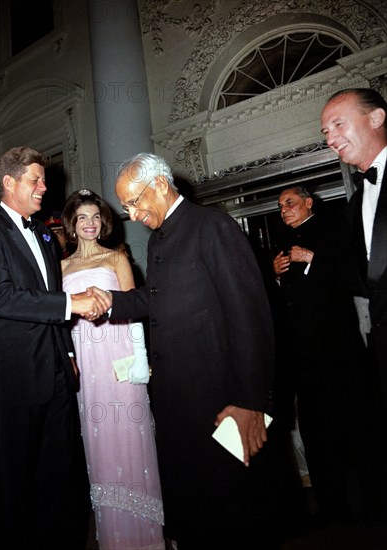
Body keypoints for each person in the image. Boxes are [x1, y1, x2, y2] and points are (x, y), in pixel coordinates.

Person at [89, 152, 284, 548]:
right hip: (180, 402)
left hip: (219, 401)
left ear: (161, 185)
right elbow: (160, 300)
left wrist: (251, 402)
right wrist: (111, 301)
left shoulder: (211, 226)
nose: (131, 213)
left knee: (233, 513)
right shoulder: (163, 236)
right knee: (197, 512)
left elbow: (250, 314)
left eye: (134, 201)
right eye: (125, 207)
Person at [0, 146, 106, 549]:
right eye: (35, 180)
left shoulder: (45, 232)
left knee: (60, 477)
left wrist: (71, 355)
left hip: (58, 372)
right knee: (16, 483)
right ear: (9, 183)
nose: (44, 187)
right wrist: (71, 304)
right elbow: (1, 298)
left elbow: (51, 291)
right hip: (13, 378)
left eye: (43, 180)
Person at [61, 189, 165, 550]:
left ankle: (148, 536)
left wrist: (140, 360)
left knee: (130, 435)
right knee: (97, 440)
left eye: (94, 217)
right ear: (72, 225)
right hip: (85, 363)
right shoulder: (61, 267)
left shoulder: (117, 258)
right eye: (82, 218)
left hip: (118, 355)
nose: (89, 224)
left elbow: (136, 307)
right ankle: (114, 538)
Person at [272, 185, 370, 525]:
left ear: (309, 202)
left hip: (337, 354)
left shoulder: (334, 230)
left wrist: (312, 258)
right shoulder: (280, 246)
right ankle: (331, 508)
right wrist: (273, 274)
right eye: (281, 205)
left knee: (352, 427)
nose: (284, 210)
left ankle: (370, 504)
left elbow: (357, 276)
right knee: (316, 434)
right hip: (302, 360)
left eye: (290, 202)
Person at [321, 87, 387, 523]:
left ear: (377, 118)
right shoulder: (353, 204)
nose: (330, 138)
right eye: (325, 132)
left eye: (338, 124)